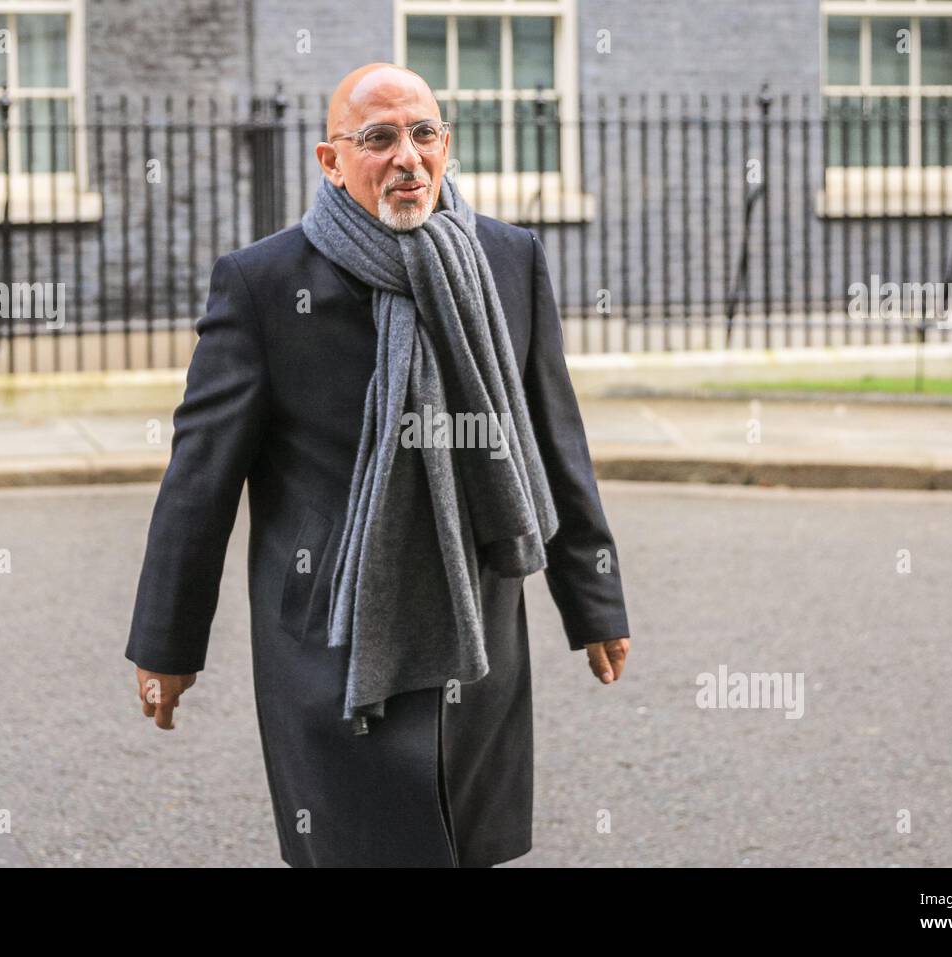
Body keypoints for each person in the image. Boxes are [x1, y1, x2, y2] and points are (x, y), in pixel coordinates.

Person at [126, 62, 631, 867]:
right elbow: (200, 479)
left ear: (446, 146)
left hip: (478, 619)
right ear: (331, 160)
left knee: (461, 843)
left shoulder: (506, 258)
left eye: (424, 134)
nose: (407, 156)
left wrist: (593, 598)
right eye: (379, 138)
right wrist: (168, 642)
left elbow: (552, 436)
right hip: (333, 637)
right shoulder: (264, 284)